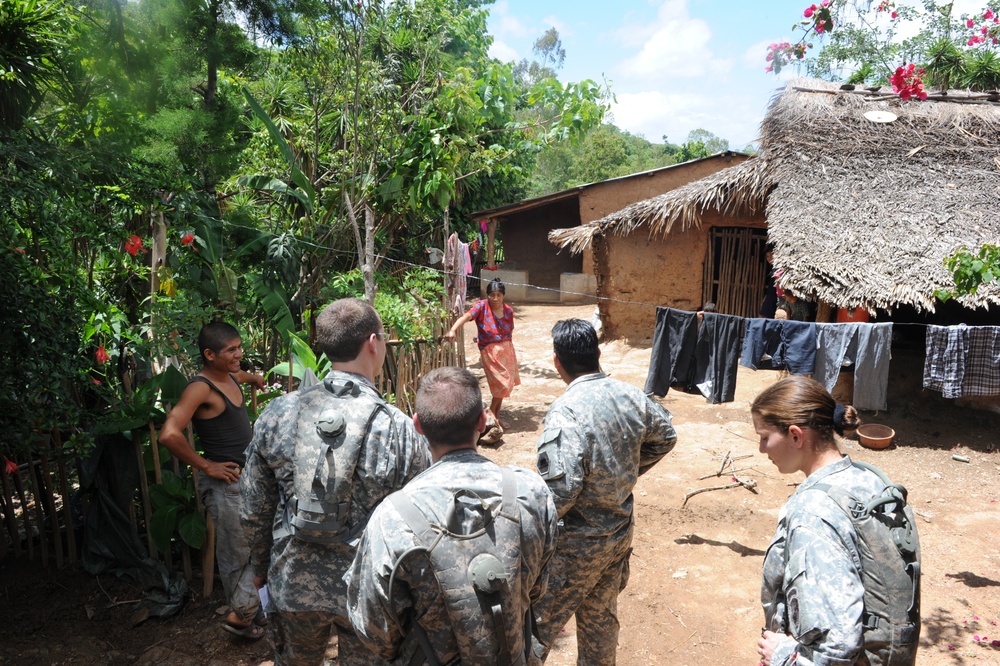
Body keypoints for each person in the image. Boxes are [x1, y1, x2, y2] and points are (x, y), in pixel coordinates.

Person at [240, 298, 431, 666]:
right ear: (372, 342)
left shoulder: (277, 414)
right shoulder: (397, 428)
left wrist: (262, 569)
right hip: (369, 592)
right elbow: (419, 522)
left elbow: (253, 509)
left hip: (293, 583)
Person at [346, 366, 558, 665]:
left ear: (417, 425)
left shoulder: (393, 517)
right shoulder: (531, 491)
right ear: (483, 421)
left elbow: (373, 627)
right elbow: (538, 587)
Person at [532, 319, 678, 664]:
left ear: (557, 361)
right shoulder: (630, 395)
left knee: (535, 630)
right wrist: (625, 472)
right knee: (600, 623)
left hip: (575, 548)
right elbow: (666, 436)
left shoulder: (566, 412)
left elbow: (560, 494)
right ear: (598, 353)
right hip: (617, 534)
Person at [752, 376, 920, 665]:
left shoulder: (813, 514)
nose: (761, 449)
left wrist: (781, 655)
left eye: (765, 437)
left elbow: (836, 646)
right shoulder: (869, 479)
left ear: (795, 435)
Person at [159, 321, 267, 640]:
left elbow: (243, 375)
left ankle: (248, 614)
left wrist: (257, 379)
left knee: (261, 545)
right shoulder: (201, 388)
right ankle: (242, 618)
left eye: (239, 346)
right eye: (231, 350)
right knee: (236, 555)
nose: (239, 354)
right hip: (227, 486)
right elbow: (168, 434)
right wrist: (207, 466)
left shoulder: (229, 374)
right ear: (209, 354)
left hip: (249, 481)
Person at [445, 278, 520, 428]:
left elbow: (508, 330)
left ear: (503, 295)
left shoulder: (509, 311)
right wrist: (453, 329)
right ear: (487, 295)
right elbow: (466, 317)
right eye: (492, 294)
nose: (495, 298)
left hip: (507, 351)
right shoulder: (481, 306)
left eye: (499, 295)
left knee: (502, 387)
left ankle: (495, 418)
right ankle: (490, 414)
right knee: (502, 383)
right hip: (489, 351)